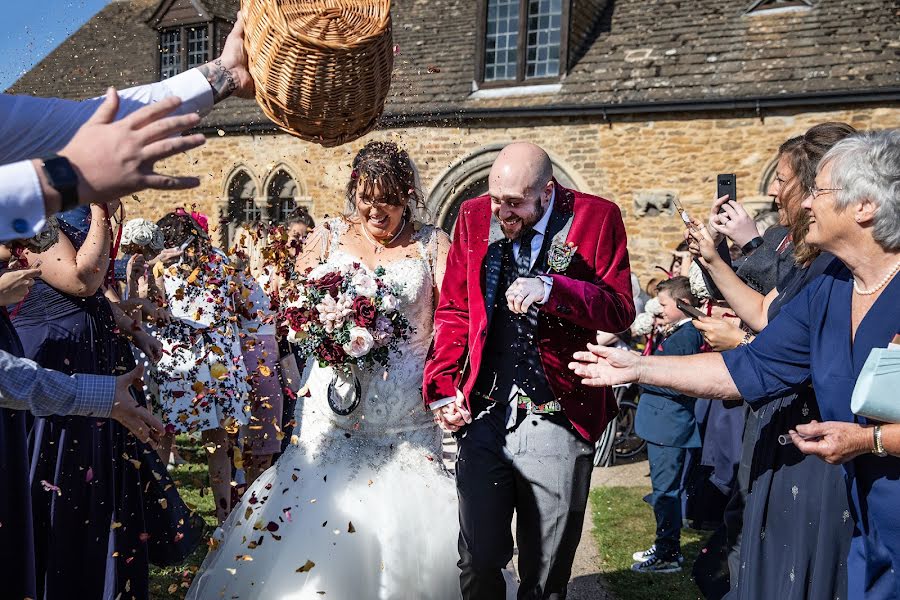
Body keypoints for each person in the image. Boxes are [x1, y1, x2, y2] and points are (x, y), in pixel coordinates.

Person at [569, 129, 900, 600]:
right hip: (865, 529)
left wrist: (869, 439)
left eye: (820, 192)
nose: (806, 204)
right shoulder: (830, 286)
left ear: (865, 206)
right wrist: (636, 368)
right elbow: (748, 368)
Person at [187, 141, 462, 599]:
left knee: (406, 512)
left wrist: (448, 384)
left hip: (404, 412)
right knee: (315, 502)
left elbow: (455, 318)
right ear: (354, 191)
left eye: (389, 202)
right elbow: (295, 304)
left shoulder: (433, 244)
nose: (377, 211)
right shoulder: (329, 236)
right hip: (332, 406)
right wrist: (325, 328)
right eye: (367, 199)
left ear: (408, 196)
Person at [423, 142, 634, 599]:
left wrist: (552, 288)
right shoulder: (474, 216)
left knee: (544, 574)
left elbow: (619, 311)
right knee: (478, 558)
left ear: (547, 191)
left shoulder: (597, 218)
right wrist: (442, 382)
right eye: (497, 199)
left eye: (515, 202)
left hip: (558, 413)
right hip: (485, 413)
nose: (502, 211)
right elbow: (456, 308)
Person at [691, 123, 857, 600]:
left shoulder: (827, 262)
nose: (772, 190)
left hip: (810, 436)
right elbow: (770, 312)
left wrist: (740, 341)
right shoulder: (804, 248)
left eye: (782, 179)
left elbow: (780, 335)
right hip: (773, 419)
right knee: (747, 536)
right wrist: (714, 259)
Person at [151, 210, 250, 523]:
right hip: (220, 360)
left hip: (182, 361)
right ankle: (224, 518)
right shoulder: (220, 259)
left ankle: (161, 519)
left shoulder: (163, 269)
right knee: (218, 444)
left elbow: (156, 312)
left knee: (160, 437)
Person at [631, 276, 704, 573]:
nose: (658, 309)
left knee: (665, 493)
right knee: (663, 491)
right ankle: (664, 542)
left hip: (669, 425)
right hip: (662, 423)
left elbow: (679, 383)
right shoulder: (677, 332)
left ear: (683, 304)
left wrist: (638, 371)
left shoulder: (687, 337)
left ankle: (668, 554)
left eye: (663, 304)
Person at [231, 224, 285, 485]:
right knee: (255, 428)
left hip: (271, 356)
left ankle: (257, 487)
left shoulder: (274, 274)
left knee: (268, 424)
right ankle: (248, 486)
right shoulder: (237, 280)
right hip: (250, 356)